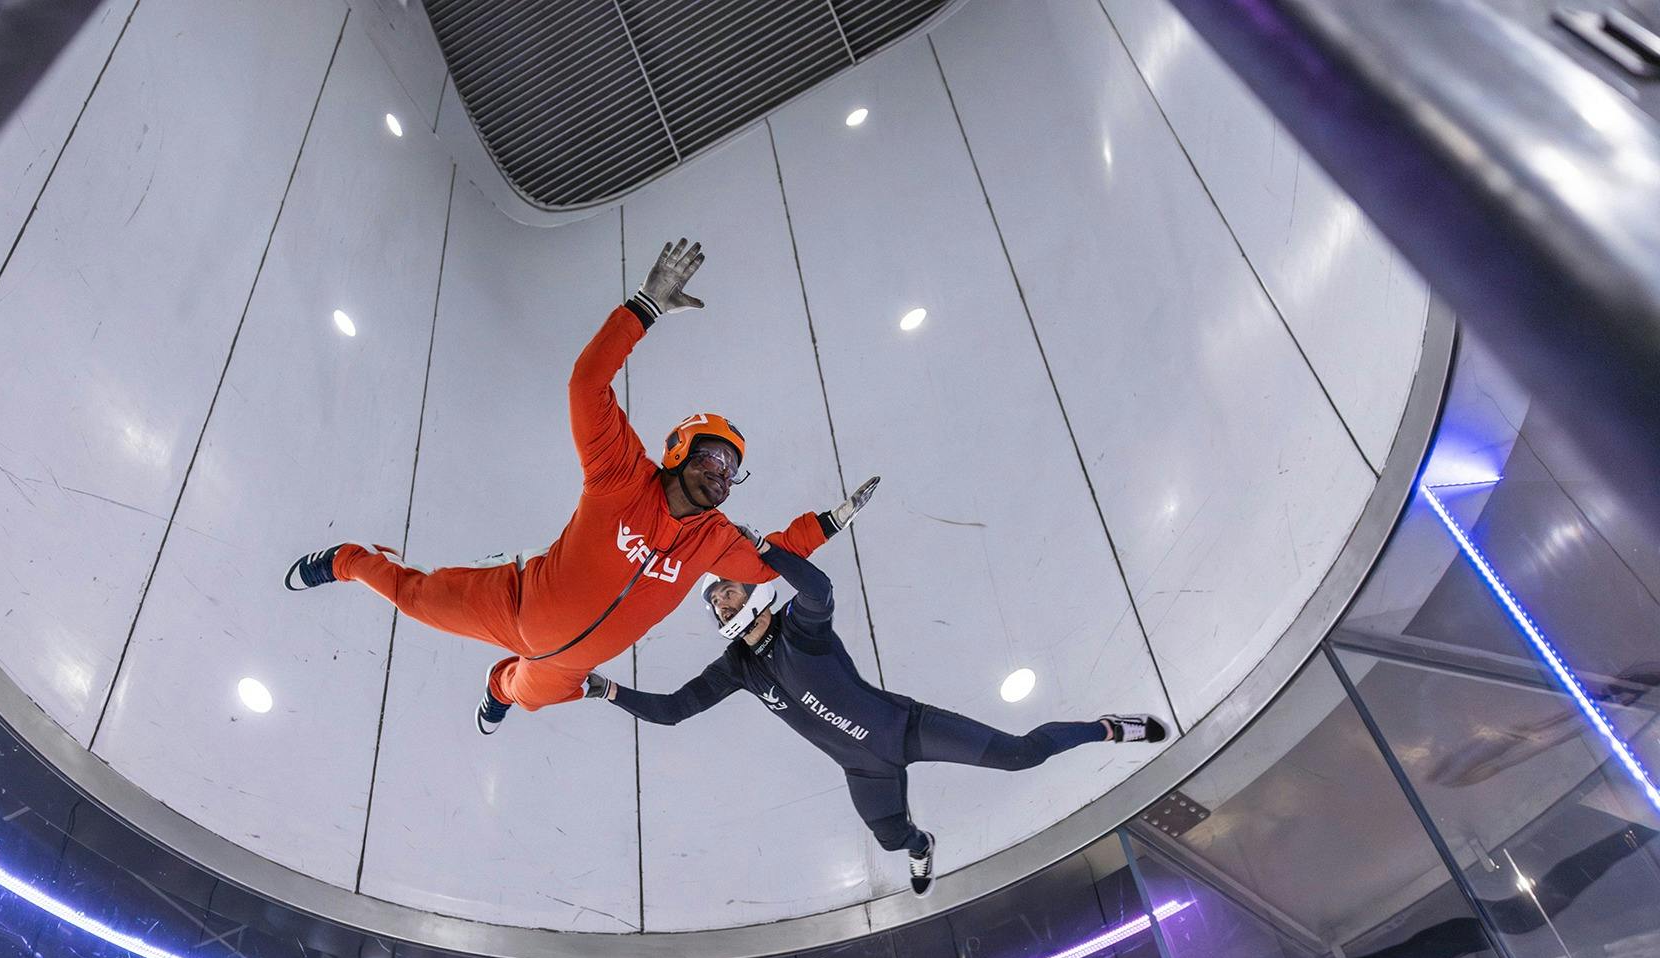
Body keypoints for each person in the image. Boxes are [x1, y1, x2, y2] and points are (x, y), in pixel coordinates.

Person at [284, 239, 871, 734]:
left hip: (564, 668)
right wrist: (643, 309)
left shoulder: (715, 543)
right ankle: (348, 561)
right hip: (514, 604)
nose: (723, 474)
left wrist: (824, 525)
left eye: (732, 469)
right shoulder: (620, 473)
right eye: (715, 455)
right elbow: (587, 383)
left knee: (524, 694)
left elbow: (773, 563)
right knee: (411, 598)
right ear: (679, 451)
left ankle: (499, 686)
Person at [584, 525, 1167, 893]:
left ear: (753, 589)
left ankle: (1108, 728)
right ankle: (923, 848)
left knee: (1019, 756)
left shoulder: (798, 628)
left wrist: (766, 549)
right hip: (865, 771)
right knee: (894, 842)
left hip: (909, 729)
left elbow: (820, 592)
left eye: (727, 591)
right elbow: (670, 711)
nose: (720, 603)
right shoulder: (736, 666)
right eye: (713, 601)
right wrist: (604, 689)